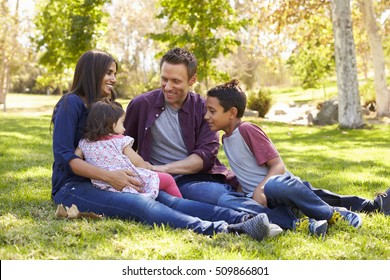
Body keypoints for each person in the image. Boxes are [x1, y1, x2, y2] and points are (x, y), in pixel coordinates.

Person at [51, 49, 283, 241]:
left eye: (114, 73)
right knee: (142, 205)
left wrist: (133, 174)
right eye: (108, 73)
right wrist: (110, 176)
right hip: (73, 187)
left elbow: (120, 145)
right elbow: (65, 157)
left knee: (170, 200)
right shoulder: (71, 103)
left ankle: (244, 220)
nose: (113, 78)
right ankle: (224, 229)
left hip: (110, 182)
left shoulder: (103, 106)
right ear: (92, 72)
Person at [204, 79, 390, 230]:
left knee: (305, 194)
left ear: (232, 113)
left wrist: (260, 189)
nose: (206, 116)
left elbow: (278, 166)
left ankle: (344, 212)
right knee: (315, 198)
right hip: (270, 202)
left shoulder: (247, 130)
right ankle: (371, 206)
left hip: (280, 187)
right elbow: (245, 173)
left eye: (212, 111)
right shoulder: (226, 141)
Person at [75, 98, 182, 199]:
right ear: (112, 124)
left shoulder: (84, 142)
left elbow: (76, 159)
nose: (125, 128)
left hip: (102, 185)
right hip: (130, 181)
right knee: (168, 180)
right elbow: (138, 162)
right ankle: (180, 202)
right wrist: (147, 166)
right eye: (122, 122)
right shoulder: (120, 141)